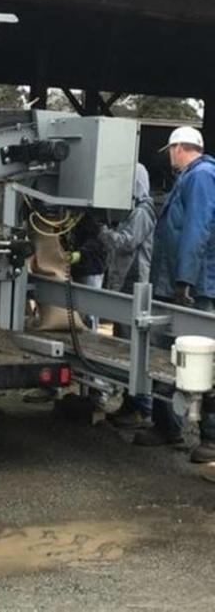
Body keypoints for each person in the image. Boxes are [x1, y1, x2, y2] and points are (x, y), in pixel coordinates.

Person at [133, 126, 215, 463]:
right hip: (178, 283)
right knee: (170, 355)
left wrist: (185, 280)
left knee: (203, 357)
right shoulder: (191, 178)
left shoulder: (202, 177)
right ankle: (167, 425)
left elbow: (199, 226)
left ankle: (210, 436)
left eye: (170, 150)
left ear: (180, 148)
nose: (168, 156)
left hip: (194, 286)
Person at [98, 164, 156, 428]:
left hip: (133, 282)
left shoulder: (142, 212)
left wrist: (104, 234)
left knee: (132, 345)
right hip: (124, 280)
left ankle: (141, 407)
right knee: (123, 342)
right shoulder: (132, 210)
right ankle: (130, 402)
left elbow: (128, 242)